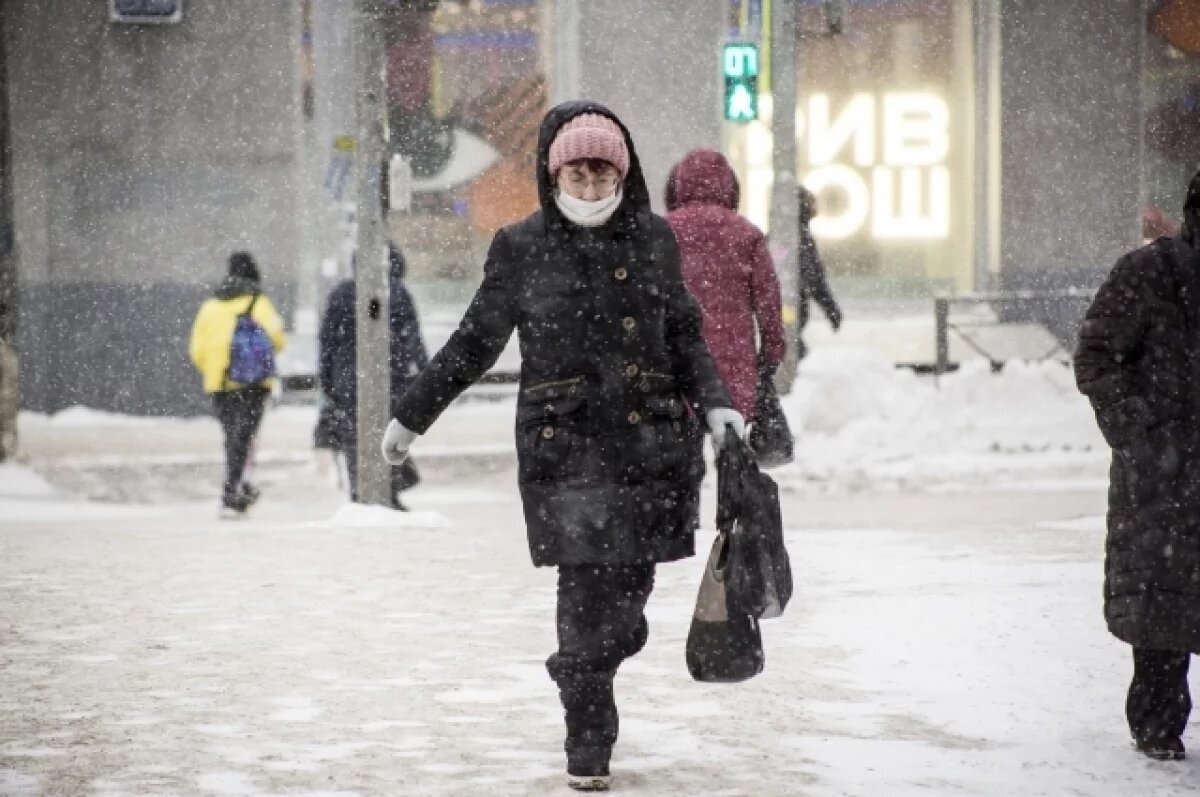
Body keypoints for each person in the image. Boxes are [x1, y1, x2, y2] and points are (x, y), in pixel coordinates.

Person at [380, 102, 742, 791]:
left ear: (623, 173)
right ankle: (587, 739)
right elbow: (473, 343)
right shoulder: (519, 246)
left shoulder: (654, 241)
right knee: (583, 596)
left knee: (631, 594)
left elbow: (686, 334)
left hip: (651, 447)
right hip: (565, 449)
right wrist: (411, 416)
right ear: (553, 173)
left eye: (603, 168)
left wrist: (719, 403)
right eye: (577, 168)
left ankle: (599, 656)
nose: (590, 180)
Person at [1074, 169, 1200, 762]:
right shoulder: (1149, 272)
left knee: (1164, 598)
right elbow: (1097, 354)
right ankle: (1156, 724)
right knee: (1162, 609)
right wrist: (1137, 431)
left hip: (1162, 470)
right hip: (1163, 476)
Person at [664, 148, 785, 422]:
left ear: (678, 185)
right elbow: (768, 303)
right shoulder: (747, 234)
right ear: (729, 186)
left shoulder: (662, 231)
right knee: (731, 439)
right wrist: (771, 353)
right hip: (734, 358)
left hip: (676, 359)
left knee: (682, 443)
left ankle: (691, 464)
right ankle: (731, 460)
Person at [318, 244, 428, 508]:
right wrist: (425, 373)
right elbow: (413, 339)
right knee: (387, 434)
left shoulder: (340, 294)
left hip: (347, 380)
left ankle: (362, 493)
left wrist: (326, 379)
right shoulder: (398, 293)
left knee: (354, 438)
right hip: (391, 377)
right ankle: (390, 490)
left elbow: (326, 343)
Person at [188, 252, 287, 517]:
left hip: (219, 383)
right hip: (253, 383)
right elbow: (277, 339)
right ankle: (235, 488)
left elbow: (196, 349)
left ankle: (237, 486)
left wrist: (217, 367)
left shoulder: (210, 306)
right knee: (245, 437)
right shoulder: (258, 301)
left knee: (233, 435)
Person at [796, 186, 842, 360]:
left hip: (784, 305)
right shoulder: (801, 237)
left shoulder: (782, 235)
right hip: (792, 305)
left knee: (787, 345)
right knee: (790, 346)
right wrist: (830, 308)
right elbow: (814, 277)